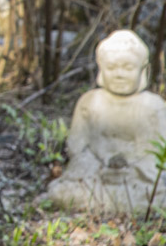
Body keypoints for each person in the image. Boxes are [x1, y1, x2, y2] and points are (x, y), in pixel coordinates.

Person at [47, 29, 166, 214]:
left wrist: (130, 169)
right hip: (95, 177)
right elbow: (77, 147)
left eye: (128, 68)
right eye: (111, 68)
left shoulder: (154, 106)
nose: (119, 74)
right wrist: (100, 167)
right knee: (60, 191)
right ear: (101, 69)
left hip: (139, 181)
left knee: (158, 196)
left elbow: (159, 155)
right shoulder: (89, 102)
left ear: (144, 70)